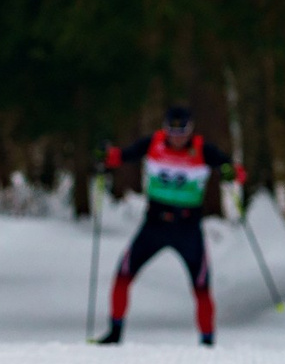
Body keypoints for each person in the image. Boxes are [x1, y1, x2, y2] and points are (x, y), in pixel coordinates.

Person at [96, 103, 246, 346]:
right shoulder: (152, 144)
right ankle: (114, 333)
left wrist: (231, 172)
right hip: (154, 224)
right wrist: (106, 155)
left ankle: (207, 342)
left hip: (187, 229)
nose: (177, 137)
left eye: (182, 130)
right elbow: (121, 156)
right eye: (172, 130)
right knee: (123, 274)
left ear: (191, 129)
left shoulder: (202, 150)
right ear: (164, 129)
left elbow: (237, 172)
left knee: (201, 286)